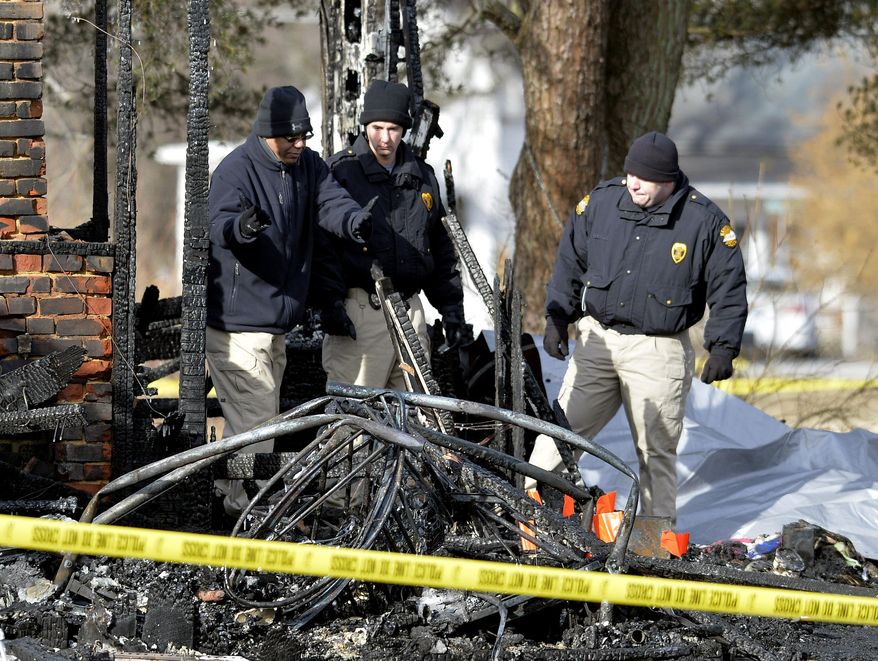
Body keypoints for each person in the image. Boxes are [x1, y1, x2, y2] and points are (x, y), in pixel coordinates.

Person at [527, 131, 748, 525]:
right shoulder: (601, 202)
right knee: (556, 439)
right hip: (598, 342)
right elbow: (569, 262)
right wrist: (557, 317)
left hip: (657, 350)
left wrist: (723, 347)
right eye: (630, 173)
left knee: (655, 454)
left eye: (643, 178)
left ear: (668, 180)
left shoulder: (703, 222)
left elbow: (729, 287)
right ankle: (530, 526)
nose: (633, 183)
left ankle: (654, 550)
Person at [206, 85, 374, 516]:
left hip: (272, 327)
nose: (300, 145)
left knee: (254, 423)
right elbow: (218, 223)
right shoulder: (235, 171)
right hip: (237, 329)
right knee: (258, 426)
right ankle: (250, 512)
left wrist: (353, 220)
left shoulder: (308, 167)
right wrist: (240, 228)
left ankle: (228, 500)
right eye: (291, 138)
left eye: (305, 137)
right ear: (267, 134)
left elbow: (331, 202)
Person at [313, 79, 466, 389]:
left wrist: (451, 308)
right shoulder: (340, 173)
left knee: (416, 421)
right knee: (356, 422)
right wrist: (329, 303)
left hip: (411, 309)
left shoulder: (423, 176)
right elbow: (321, 247)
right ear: (365, 125)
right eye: (377, 128)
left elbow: (438, 245)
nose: (384, 138)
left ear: (405, 129)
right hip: (361, 310)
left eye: (393, 129)